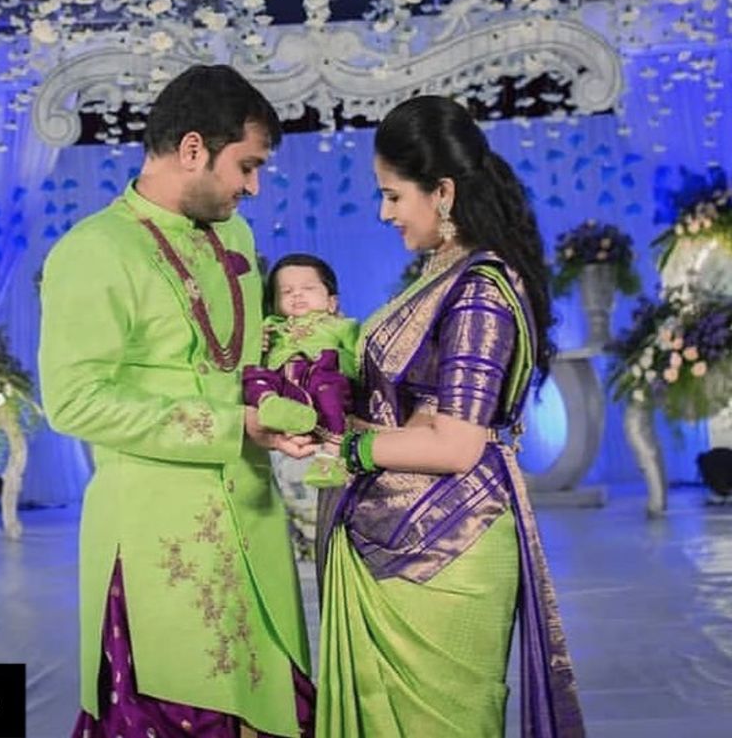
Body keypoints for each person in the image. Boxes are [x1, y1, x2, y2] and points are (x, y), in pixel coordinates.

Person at [38, 64, 317, 738]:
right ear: (192, 148)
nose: (252, 186)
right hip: (157, 538)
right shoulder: (93, 250)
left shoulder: (237, 237)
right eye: (245, 166)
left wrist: (293, 393)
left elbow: (245, 361)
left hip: (251, 517)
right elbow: (73, 401)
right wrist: (230, 424)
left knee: (278, 710)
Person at [315, 95, 586, 738]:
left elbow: (459, 444)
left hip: (445, 546)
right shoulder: (443, 271)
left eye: (392, 196)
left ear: (441, 191)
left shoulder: (479, 291)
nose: (384, 213)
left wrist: (351, 449)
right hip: (400, 537)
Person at [243, 253, 359, 488]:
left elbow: (359, 360)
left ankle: (330, 455)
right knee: (252, 375)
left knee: (328, 388)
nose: (297, 294)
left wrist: (334, 360)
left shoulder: (342, 326)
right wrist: (258, 342)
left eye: (308, 288)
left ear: (331, 302)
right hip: (282, 379)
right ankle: (272, 405)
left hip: (319, 376)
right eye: (286, 291)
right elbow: (253, 351)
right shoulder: (272, 326)